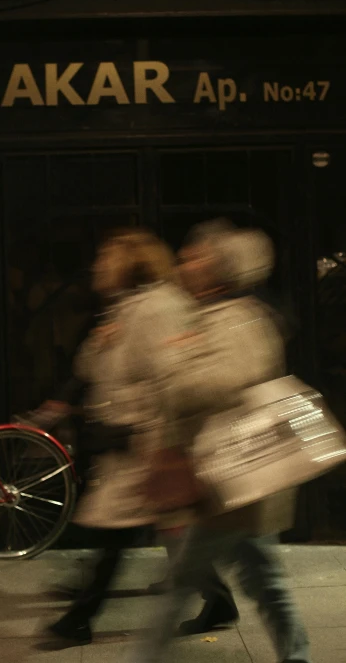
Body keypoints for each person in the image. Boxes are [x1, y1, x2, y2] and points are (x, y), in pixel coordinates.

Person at [128, 220, 311, 663]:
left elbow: (222, 383)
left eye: (196, 257)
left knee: (180, 586)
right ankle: (298, 656)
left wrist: (174, 361)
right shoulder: (215, 315)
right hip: (231, 485)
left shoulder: (236, 318)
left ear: (220, 268)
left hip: (232, 481)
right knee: (264, 583)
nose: (186, 264)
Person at [45, 227, 197, 648]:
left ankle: (79, 618)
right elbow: (93, 369)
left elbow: (167, 379)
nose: (98, 266)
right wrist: (100, 343)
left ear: (132, 262)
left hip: (140, 441)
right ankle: (219, 599)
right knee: (157, 531)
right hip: (123, 439)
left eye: (107, 257)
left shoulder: (156, 309)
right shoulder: (126, 308)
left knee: (117, 535)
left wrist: (156, 442)